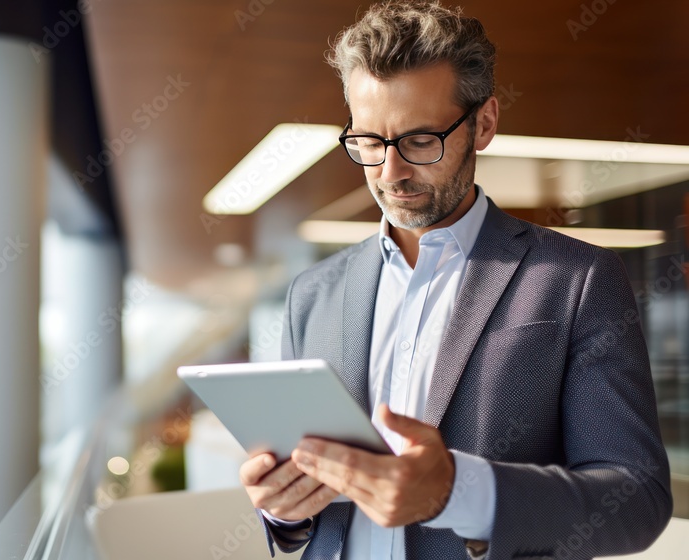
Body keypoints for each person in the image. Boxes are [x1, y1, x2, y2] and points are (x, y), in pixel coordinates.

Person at [238, 2, 673, 559]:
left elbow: (636, 500)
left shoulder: (577, 280)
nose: (390, 173)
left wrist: (458, 493)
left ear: (484, 124)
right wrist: (280, 507)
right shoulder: (312, 294)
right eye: (369, 142)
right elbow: (301, 496)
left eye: (420, 141)